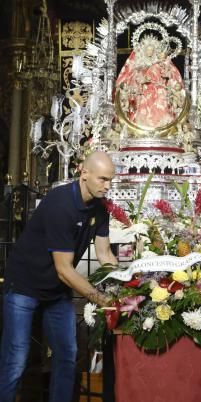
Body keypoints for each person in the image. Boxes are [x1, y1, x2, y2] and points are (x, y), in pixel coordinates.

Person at [0, 151, 118, 402]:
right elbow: (64, 269)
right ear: (84, 173)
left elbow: (105, 253)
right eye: (103, 179)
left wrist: (127, 286)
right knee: (16, 359)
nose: (107, 186)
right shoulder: (60, 204)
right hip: (24, 286)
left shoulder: (101, 208)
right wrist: (102, 299)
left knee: (66, 355)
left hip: (56, 291)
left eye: (111, 180)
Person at [115, 34, 184, 128]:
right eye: (148, 50)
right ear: (144, 50)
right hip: (144, 91)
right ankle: (144, 129)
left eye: (152, 50)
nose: (149, 52)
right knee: (143, 109)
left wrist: (167, 76)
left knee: (161, 107)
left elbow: (170, 76)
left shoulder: (160, 63)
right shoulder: (139, 65)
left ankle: (161, 128)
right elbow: (134, 78)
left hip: (159, 91)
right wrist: (142, 80)